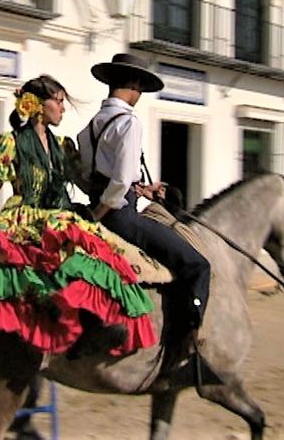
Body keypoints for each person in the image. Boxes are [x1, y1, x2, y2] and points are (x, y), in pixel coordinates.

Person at [0, 74, 157, 363]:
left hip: (63, 217)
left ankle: (88, 331)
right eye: (58, 101)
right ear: (37, 105)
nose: (62, 108)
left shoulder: (64, 146)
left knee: (102, 266)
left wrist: (140, 188)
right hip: (25, 218)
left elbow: (88, 186)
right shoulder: (10, 143)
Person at [77, 53, 211, 347]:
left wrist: (141, 190)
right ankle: (190, 333)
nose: (139, 95)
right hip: (121, 217)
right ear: (134, 85)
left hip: (107, 206)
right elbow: (120, 181)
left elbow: (93, 177)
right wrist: (102, 211)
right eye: (139, 88)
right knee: (197, 264)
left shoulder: (88, 129)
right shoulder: (129, 123)